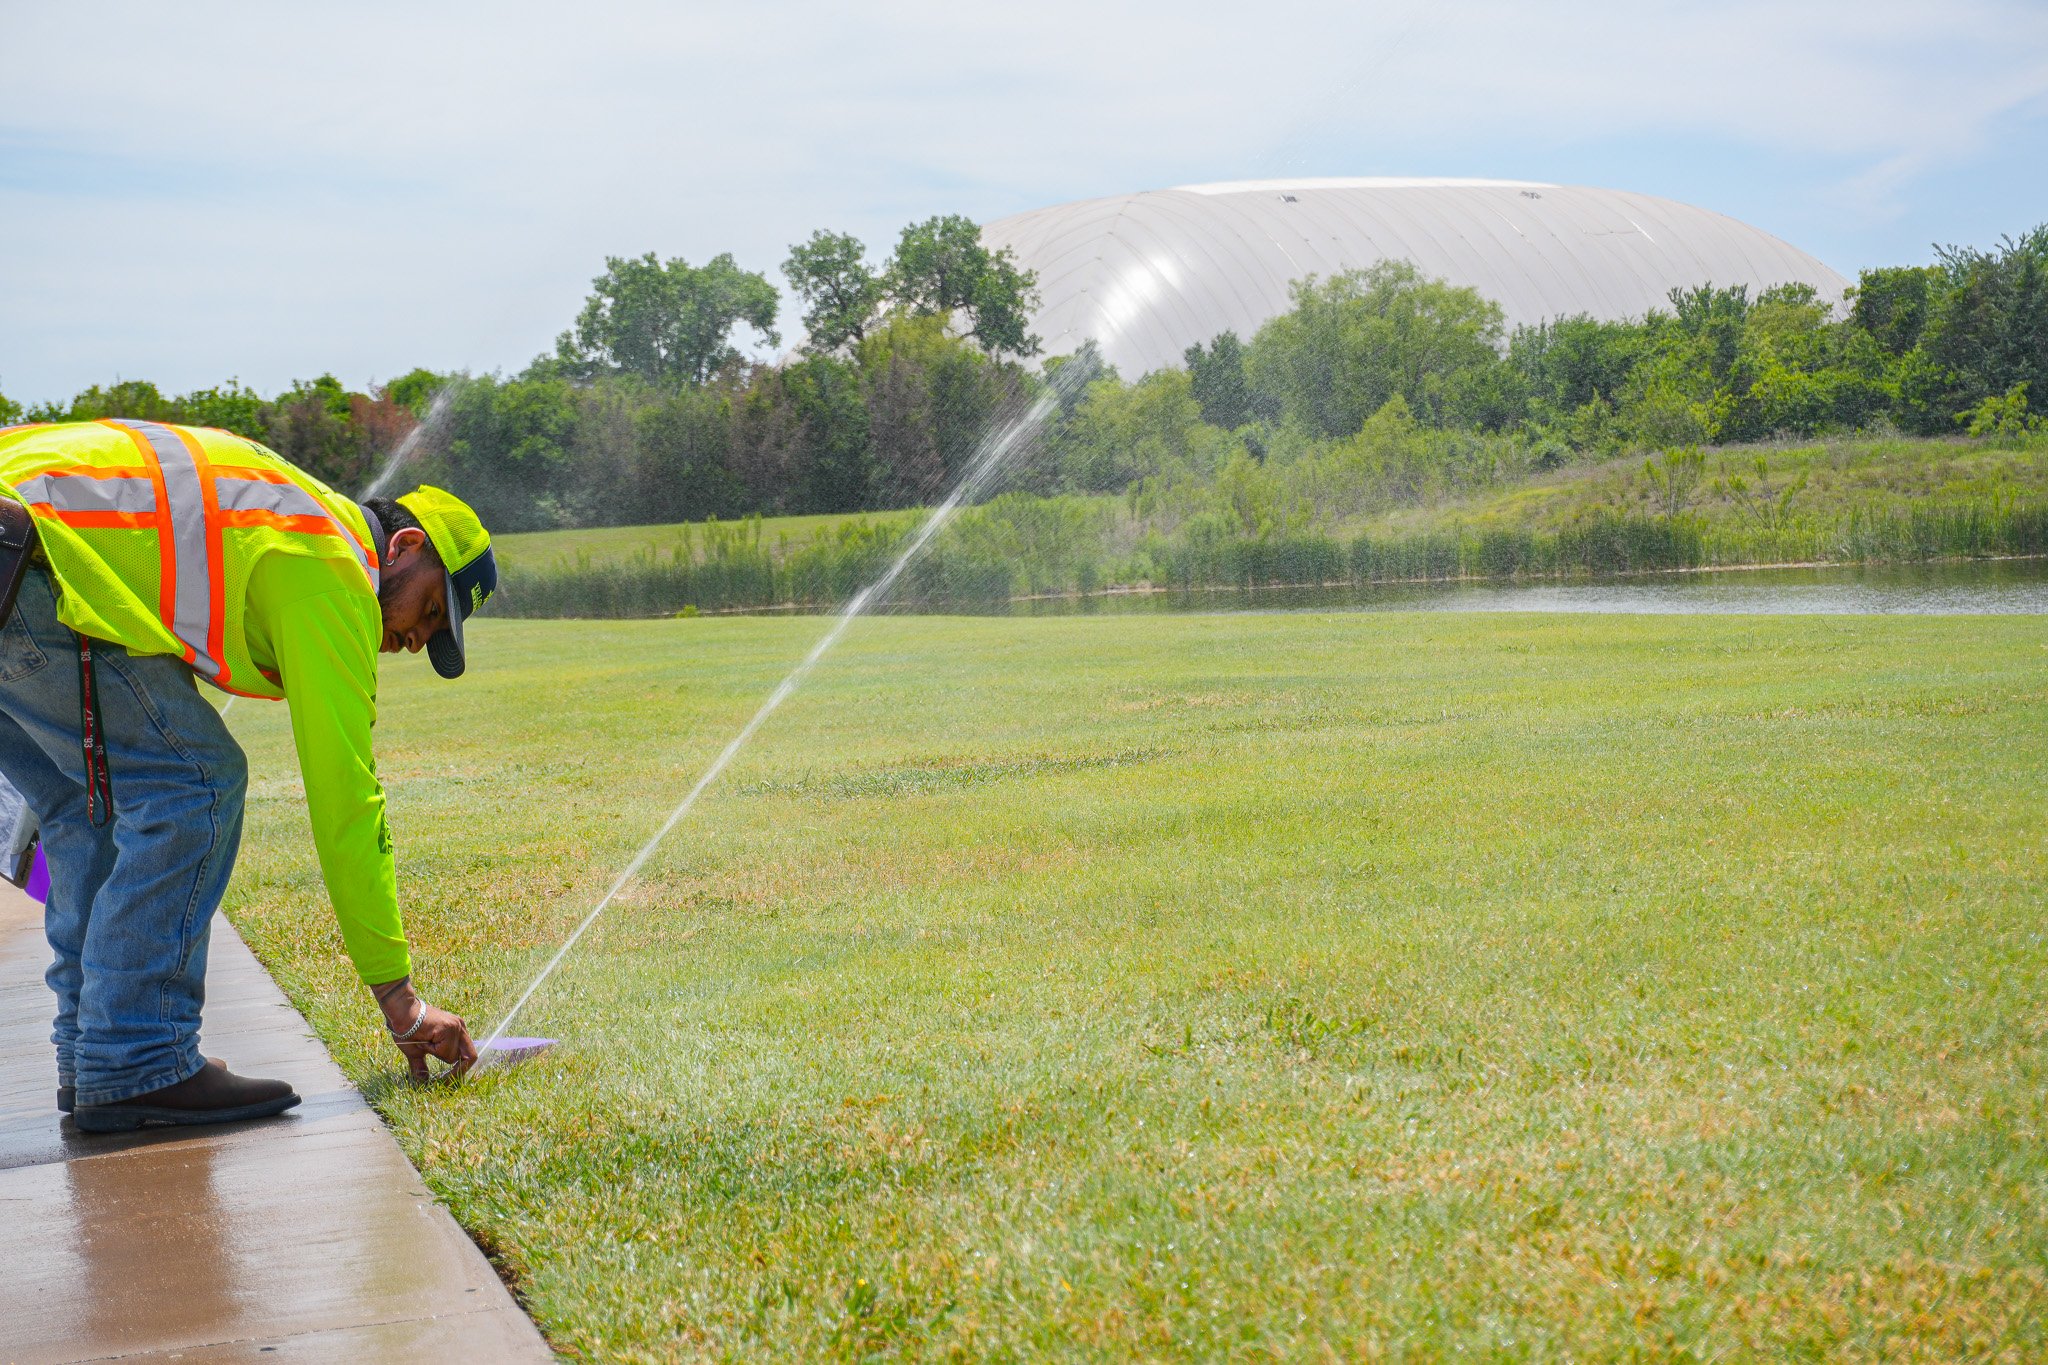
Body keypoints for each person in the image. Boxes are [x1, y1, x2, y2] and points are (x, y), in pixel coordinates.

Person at [0, 418, 498, 1132]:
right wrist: (400, 999)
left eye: (435, 635)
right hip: (32, 561)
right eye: (429, 609)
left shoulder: (296, 517)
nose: (419, 639)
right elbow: (346, 795)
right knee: (197, 782)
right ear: (405, 546)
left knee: (90, 807)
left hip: (18, 555)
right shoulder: (330, 563)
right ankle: (136, 1059)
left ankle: (97, 1058)